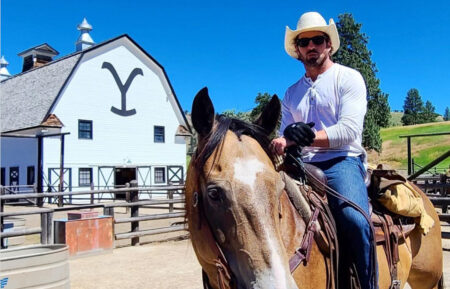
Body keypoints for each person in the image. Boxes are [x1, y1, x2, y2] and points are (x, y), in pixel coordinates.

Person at [270, 11, 376, 289]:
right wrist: (281, 141)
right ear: (297, 50)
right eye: (304, 42)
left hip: (342, 160)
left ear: (329, 44)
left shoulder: (348, 78)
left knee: (356, 220)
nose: (311, 46)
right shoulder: (291, 93)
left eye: (318, 39)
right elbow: (284, 136)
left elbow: (349, 131)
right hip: (300, 165)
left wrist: (305, 137)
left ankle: (369, 284)